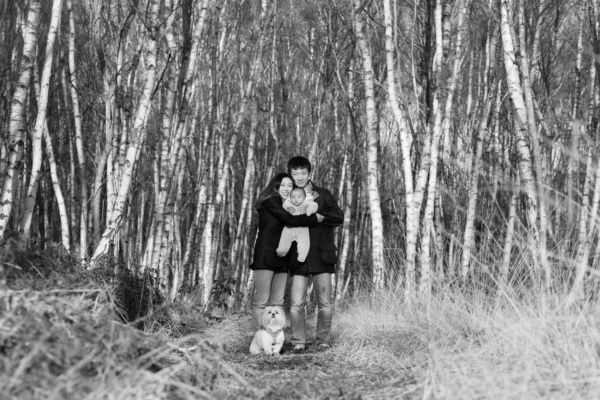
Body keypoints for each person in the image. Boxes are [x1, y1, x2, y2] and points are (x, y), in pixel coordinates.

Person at [247, 172, 324, 343]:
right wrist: (313, 219)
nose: (287, 188)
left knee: (277, 301)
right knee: (261, 301)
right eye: (283, 185)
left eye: (290, 185)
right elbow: (290, 220)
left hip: (282, 257)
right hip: (266, 256)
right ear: (275, 186)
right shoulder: (270, 201)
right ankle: (255, 338)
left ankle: (274, 339)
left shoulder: (287, 203)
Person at [286, 156, 344, 353]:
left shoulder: (324, 195)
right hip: (298, 258)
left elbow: (338, 217)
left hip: (322, 255)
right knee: (296, 304)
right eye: (295, 173)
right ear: (290, 175)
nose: (300, 177)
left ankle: (323, 340)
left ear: (309, 174)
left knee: (325, 303)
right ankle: (298, 342)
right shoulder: (287, 197)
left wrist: (321, 218)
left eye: (303, 173)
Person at [276, 187, 318, 262]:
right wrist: (287, 210)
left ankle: (302, 255)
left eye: (299, 197)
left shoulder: (307, 203)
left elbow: (314, 205)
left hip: (302, 228)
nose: (296, 199)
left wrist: (309, 210)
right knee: (285, 239)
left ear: (304, 197)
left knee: (304, 242)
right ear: (289, 197)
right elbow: (281, 211)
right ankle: (282, 250)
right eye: (293, 197)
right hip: (288, 228)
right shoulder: (287, 203)